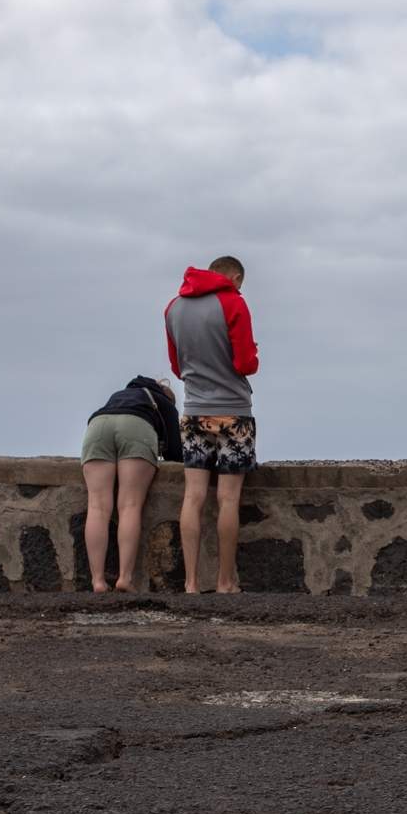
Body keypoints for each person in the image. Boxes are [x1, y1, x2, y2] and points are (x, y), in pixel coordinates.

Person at [164, 255, 259, 594]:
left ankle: (190, 583)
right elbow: (246, 362)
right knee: (228, 500)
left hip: (193, 411)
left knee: (193, 496)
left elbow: (176, 367)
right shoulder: (233, 303)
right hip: (233, 410)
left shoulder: (174, 308)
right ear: (233, 277)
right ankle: (224, 581)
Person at [79, 375, 179, 593]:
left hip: (98, 425)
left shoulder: (119, 396)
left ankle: (97, 581)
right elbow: (175, 451)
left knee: (97, 507)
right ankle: (124, 578)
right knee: (129, 506)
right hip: (137, 427)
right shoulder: (163, 403)